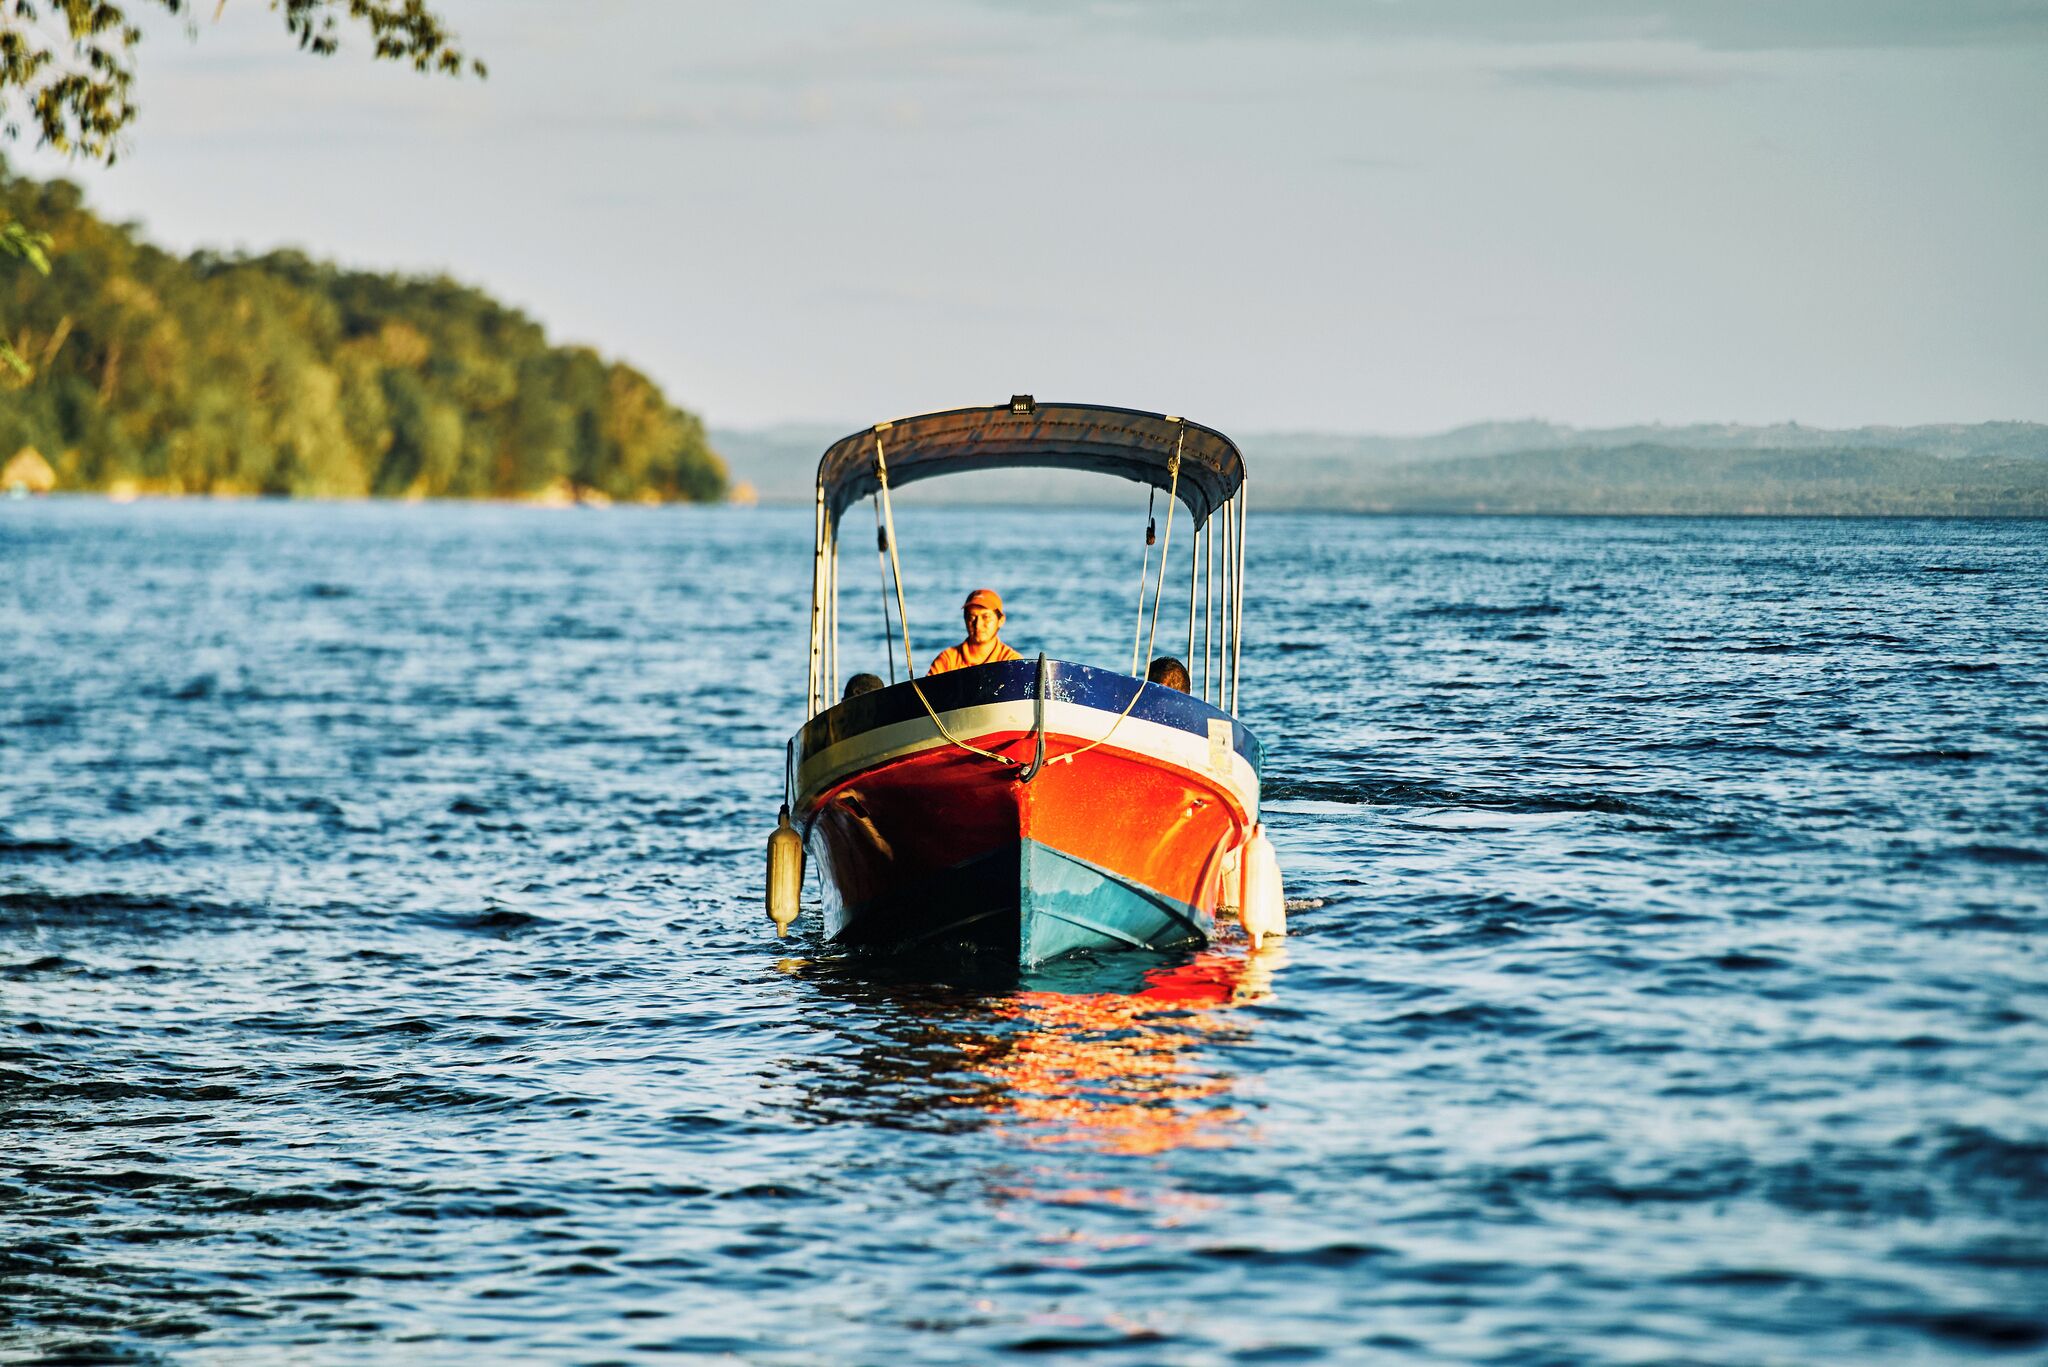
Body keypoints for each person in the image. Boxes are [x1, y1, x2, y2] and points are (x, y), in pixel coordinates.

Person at [926, 588, 1021, 674]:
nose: (978, 624)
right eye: (972, 617)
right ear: (965, 619)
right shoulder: (947, 660)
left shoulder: (1013, 662)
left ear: (1001, 620)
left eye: (986, 617)